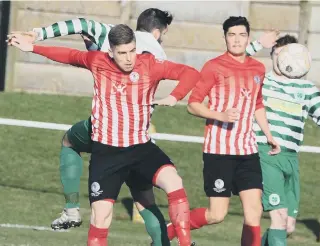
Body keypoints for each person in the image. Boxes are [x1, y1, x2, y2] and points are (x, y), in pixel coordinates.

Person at [9, 24, 200, 246]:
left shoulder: (149, 64)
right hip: (107, 153)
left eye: (132, 51)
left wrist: (175, 97)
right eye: (122, 53)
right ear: (111, 52)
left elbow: (190, 73)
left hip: (140, 148)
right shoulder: (98, 61)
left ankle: (185, 244)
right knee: (101, 218)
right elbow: (69, 55)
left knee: (174, 182)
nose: (129, 58)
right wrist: (32, 48)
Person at [166, 16, 281, 246]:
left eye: (241, 35)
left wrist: (268, 135)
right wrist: (220, 115)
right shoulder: (214, 66)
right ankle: (169, 230)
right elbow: (193, 104)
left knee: (254, 212)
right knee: (217, 214)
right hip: (219, 151)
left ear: (248, 38)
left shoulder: (258, 68)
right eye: (231, 35)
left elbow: (257, 104)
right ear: (225, 38)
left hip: (248, 152)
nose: (236, 40)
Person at [248, 34, 320, 246]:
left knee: (287, 226)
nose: (285, 59)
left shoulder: (307, 89)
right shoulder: (261, 80)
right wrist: (257, 44)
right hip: (266, 155)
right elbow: (234, 64)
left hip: (290, 159)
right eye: (279, 54)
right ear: (272, 56)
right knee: (278, 218)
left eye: (288, 53)